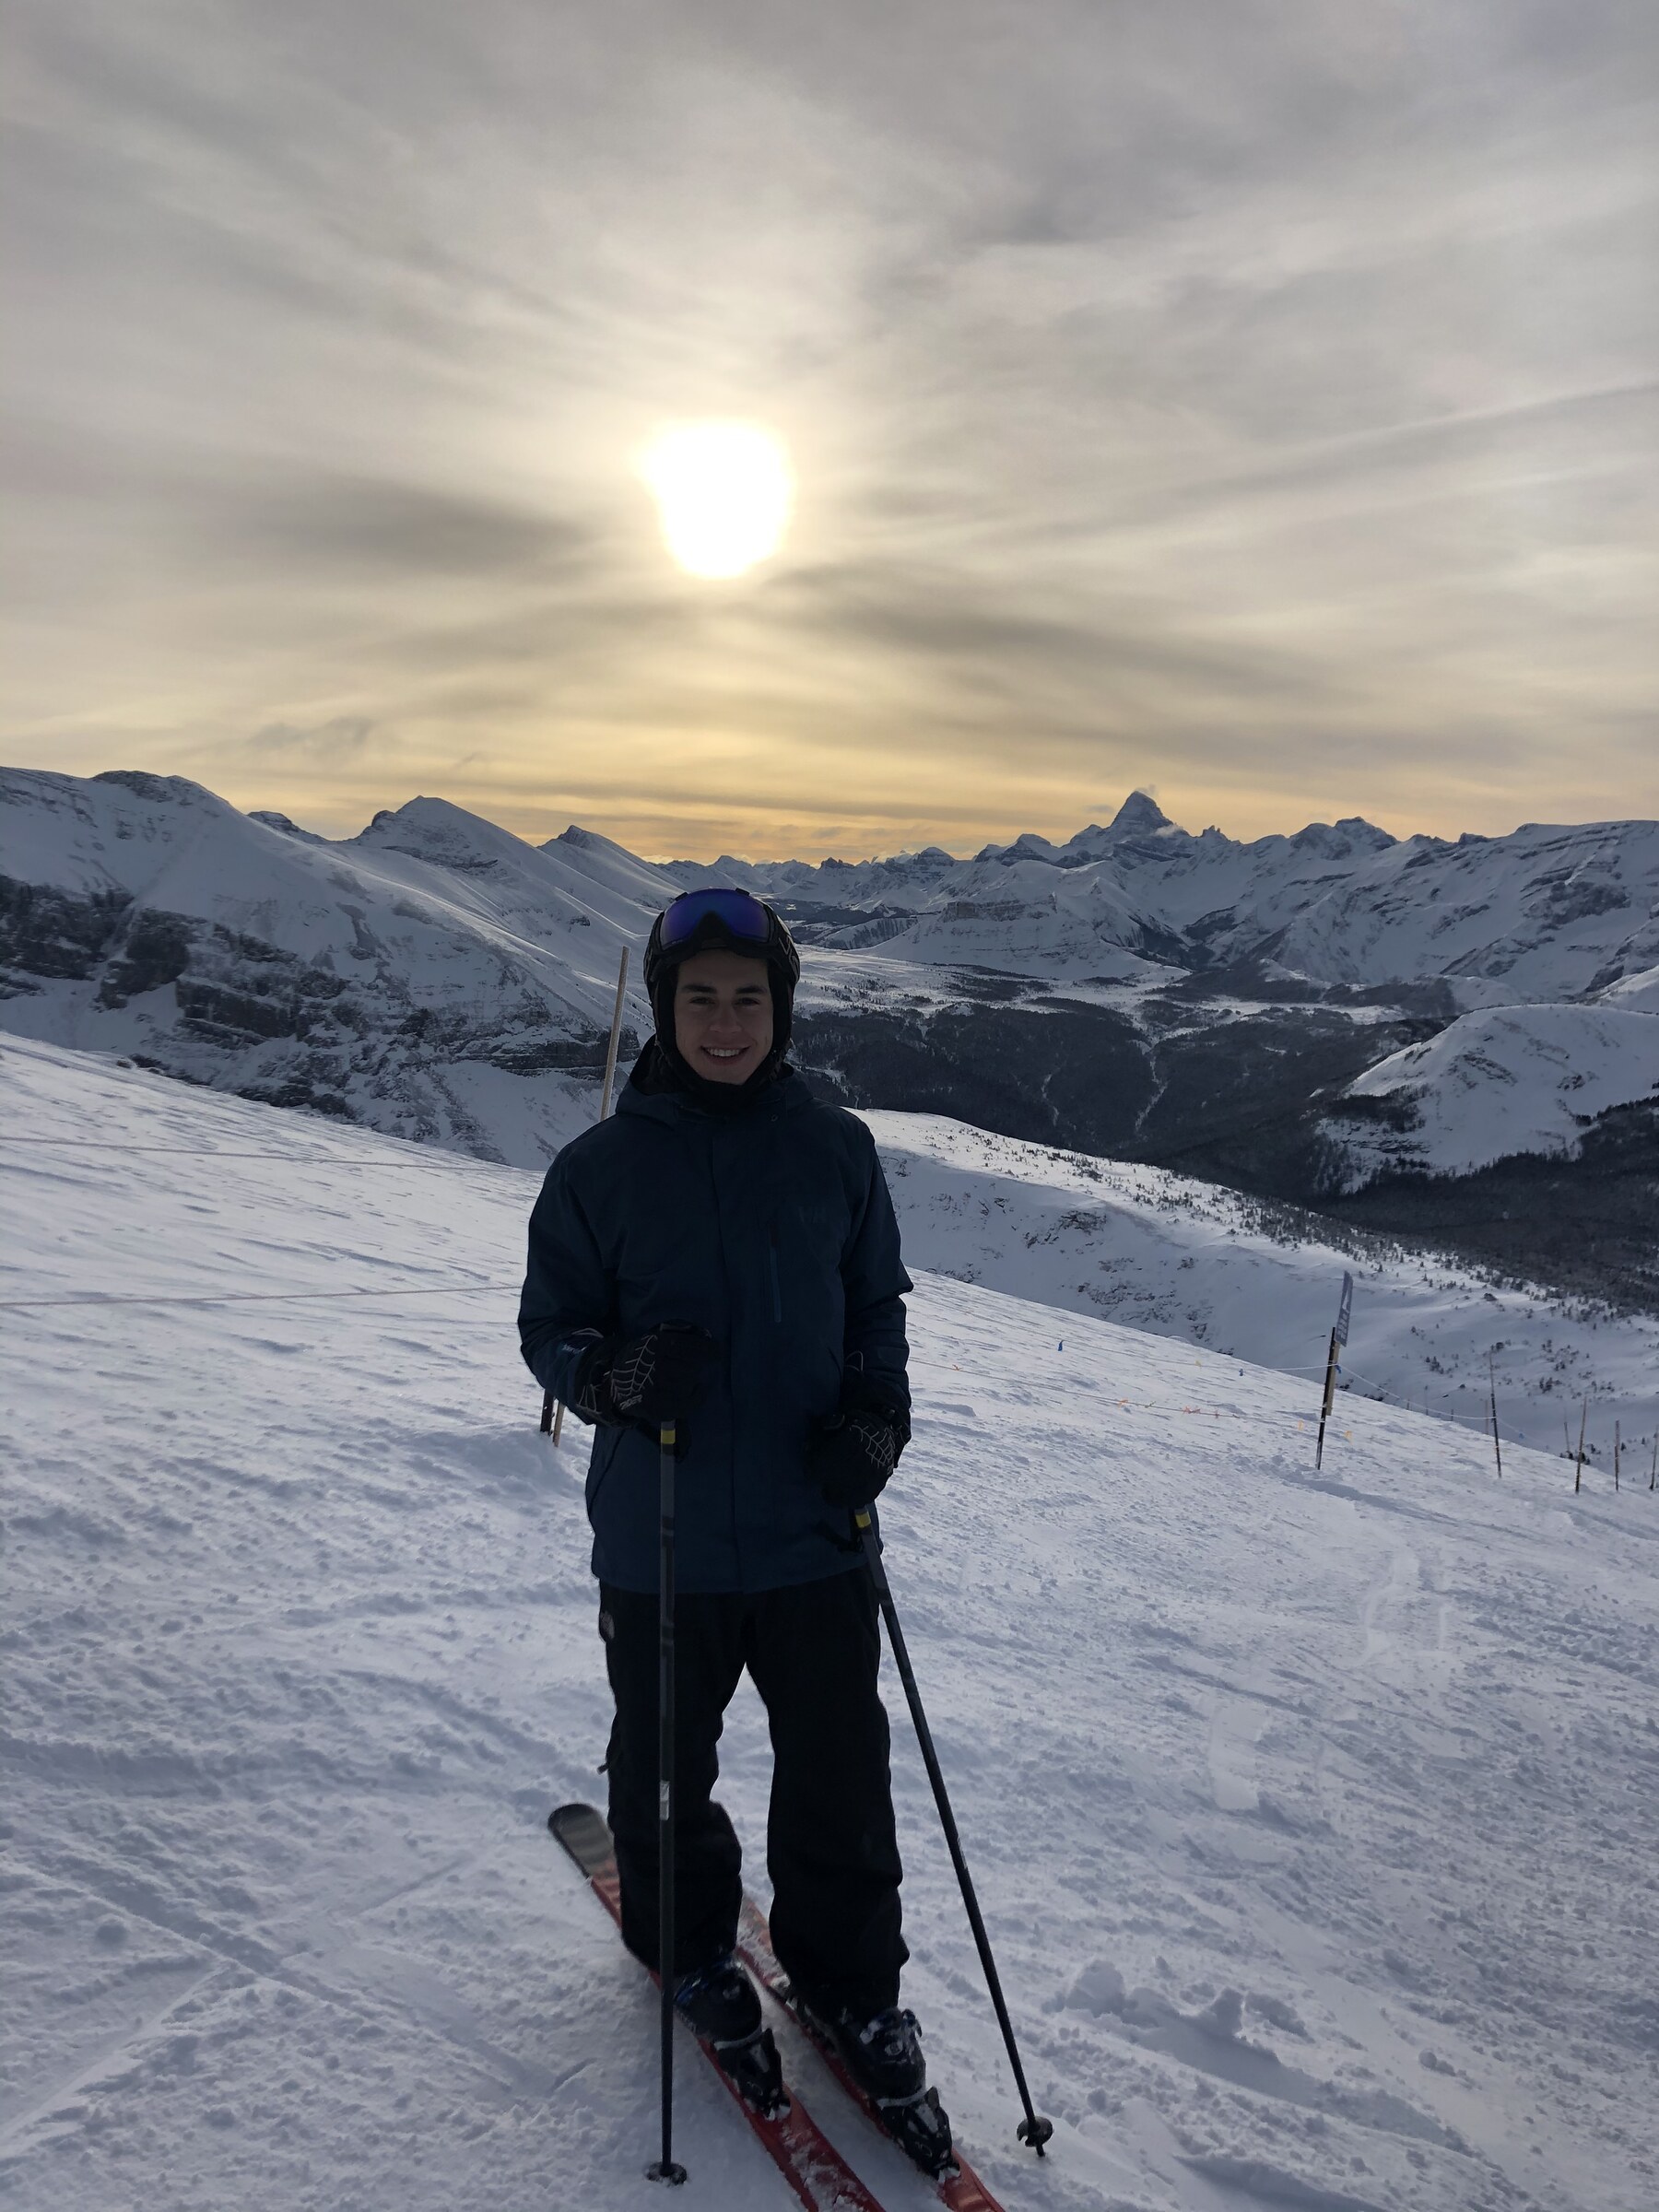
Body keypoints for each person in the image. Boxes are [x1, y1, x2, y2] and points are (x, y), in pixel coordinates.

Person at [519, 886, 950, 2167]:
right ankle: (689, 1941)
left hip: (817, 1528)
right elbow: (552, 1330)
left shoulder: (837, 1150)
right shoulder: (598, 1169)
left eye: (746, 1000)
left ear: (782, 1011)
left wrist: (879, 1419)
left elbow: (877, 1309)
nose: (723, 1023)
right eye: (698, 999)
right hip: (664, 1539)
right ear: (666, 1011)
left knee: (840, 1782)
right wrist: (611, 1379)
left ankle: (847, 1982)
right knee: (661, 1772)